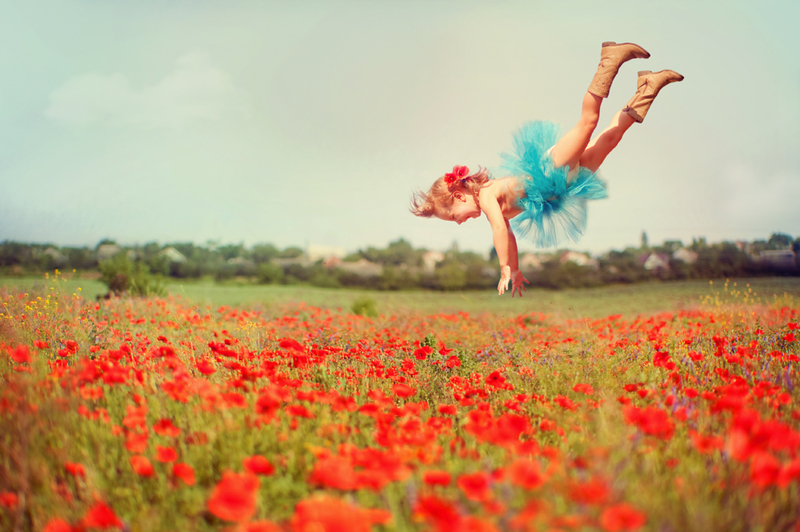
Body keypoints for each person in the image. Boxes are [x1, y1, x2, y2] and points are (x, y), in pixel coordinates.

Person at [410, 41, 683, 297]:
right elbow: (510, 237)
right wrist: (515, 269)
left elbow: (500, 232)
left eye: (453, 217)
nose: (459, 222)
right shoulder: (493, 207)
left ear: (459, 196)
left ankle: (609, 60)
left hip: (549, 170)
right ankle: (648, 87)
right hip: (564, 184)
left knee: (588, 123)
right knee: (610, 138)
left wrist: (504, 268)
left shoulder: (486, 195)